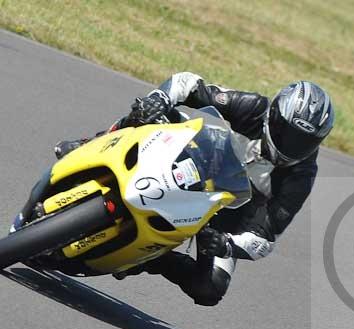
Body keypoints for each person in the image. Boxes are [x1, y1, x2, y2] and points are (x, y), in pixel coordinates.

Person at [14, 72, 334, 306]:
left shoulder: (300, 176)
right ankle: (91, 144)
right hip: (197, 154)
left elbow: (265, 238)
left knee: (210, 287)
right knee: (149, 113)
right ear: (274, 115)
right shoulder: (252, 107)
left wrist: (227, 244)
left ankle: (147, 258)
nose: (293, 145)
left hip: (225, 211)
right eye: (288, 133)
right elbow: (189, 85)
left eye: (303, 141)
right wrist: (160, 97)